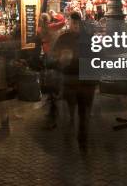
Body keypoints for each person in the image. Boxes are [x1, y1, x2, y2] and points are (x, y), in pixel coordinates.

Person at [53, 12, 96, 150]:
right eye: (73, 23)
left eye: (77, 23)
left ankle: (82, 140)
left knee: (84, 114)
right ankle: (70, 133)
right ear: (69, 23)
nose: (76, 26)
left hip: (85, 83)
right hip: (70, 81)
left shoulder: (89, 39)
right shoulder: (63, 38)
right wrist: (61, 61)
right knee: (70, 112)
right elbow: (53, 58)